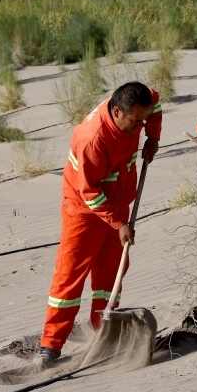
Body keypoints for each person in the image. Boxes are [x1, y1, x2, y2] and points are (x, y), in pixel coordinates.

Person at [40, 81, 161, 366]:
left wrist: (152, 137)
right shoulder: (92, 140)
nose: (139, 127)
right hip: (83, 209)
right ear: (117, 112)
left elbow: (155, 106)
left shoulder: (138, 106)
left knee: (112, 272)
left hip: (118, 201)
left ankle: (101, 332)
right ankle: (51, 346)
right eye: (135, 122)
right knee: (70, 275)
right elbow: (89, 192)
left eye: (143, 120)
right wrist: (119, 223)